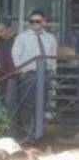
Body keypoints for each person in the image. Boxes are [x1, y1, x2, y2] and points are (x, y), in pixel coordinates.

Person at [12, 11, 58, 139]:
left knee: (42, 103)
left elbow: (53, 57)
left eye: (37, 21)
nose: (34, 23)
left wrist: (53, 73)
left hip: (46, 74)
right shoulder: (22, 37)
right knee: (28, 104)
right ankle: (28, 133)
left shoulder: (50, 38)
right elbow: (16, 55)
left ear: (44, 22)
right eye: (31, 21)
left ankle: (39, 133)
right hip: (29, 74)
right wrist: (21, 70)